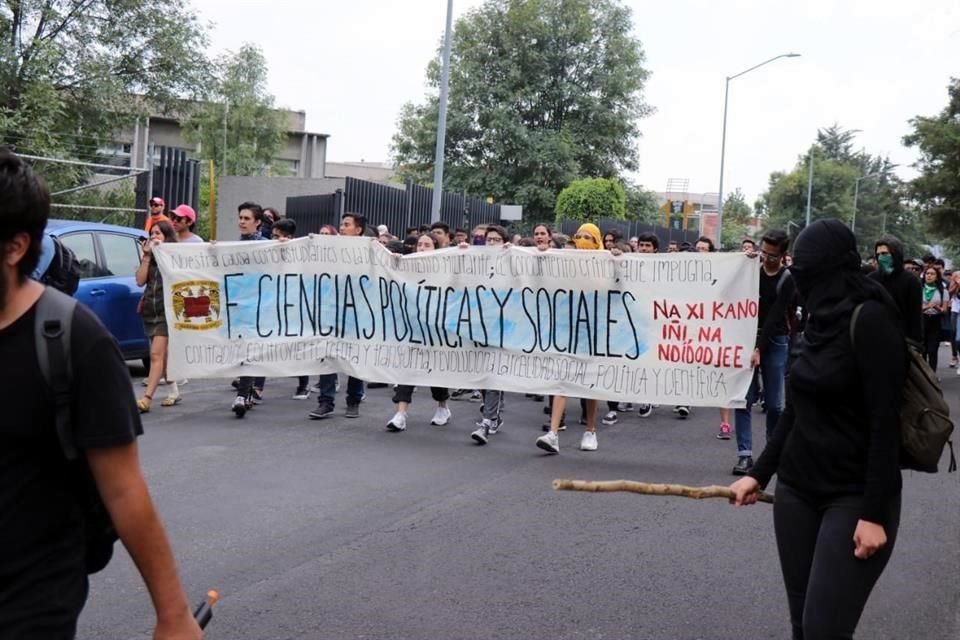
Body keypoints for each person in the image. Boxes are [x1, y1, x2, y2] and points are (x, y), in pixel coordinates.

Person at [0, 147, 201, 639]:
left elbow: (124, 488)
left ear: (14, 247)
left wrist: (173, 616)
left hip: (26, 602)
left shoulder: (75, 341)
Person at [730, 218, 905, 640]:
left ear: (831, 271)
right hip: (796, 490)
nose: (798, 280)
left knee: (824, 630)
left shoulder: (871, 320)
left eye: (807, 272)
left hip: (852, 496)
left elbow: (886, 424)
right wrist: (759, 473)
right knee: (801, 626)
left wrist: (874, 515)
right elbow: (795, 412)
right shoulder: (816, 322)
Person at [730, 230, 794, 475]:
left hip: (775, 340)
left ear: (782, 255)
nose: (766, 258)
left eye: (772, 255)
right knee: (742, 400)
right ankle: (744, 454)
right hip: (746, 337)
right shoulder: (751, 271)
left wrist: (759, 348)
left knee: (775, 403)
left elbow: (777, 315)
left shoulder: (788, 279)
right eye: (763, 252)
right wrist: (740, 261)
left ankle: (772, 451)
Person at [535, 223, 602, 454]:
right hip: (567, 330)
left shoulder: (605, 265)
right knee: (562, 380)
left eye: (588, 237)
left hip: (593, 333)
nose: (582, 241)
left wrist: (617, 258)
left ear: (597, 242)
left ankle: (590, 430)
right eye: (579, 236)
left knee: (589, 386)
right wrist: (542, 257)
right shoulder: (563, 263)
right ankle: (553, 433)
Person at [386, 232, 452, 431]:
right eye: (420, 245)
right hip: (413, 327)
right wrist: (395, 262)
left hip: (435, 329)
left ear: (435, 249)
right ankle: (400, 413)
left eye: (427, 245)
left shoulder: (444, 269)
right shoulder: (407, 266)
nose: (422, 248)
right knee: (408, 369)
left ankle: (442, 407)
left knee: (435, 371)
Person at [309, 213, 367, 419]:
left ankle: (354, 400)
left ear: (358, 230)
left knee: (354, 358)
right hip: (331, 311)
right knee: (327, 355)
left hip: (357, 314)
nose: (342, 228)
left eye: (347, 225)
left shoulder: (369, 252)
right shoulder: (329, 250)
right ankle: (325, 401)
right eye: (342, 224)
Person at [135, 220, 180, 412]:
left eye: (158, 234)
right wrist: (146, 256)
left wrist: (166, 254)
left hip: (167, 312)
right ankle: (173, 389)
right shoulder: (149, 258)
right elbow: (139, 281)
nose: (154, 237)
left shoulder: (175, 256)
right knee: (163, 356)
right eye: (152, 233)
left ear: (167, 237)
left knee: (155, 354)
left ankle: (146, 399)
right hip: (150, 310)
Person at [231, 202, 265, 417]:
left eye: (247, 218)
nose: (242, 222)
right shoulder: (234, 246)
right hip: (238, 305)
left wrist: (282, 247)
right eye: (240, 218)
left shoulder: (266, 245)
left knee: (249, 349)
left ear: (258, 222)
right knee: (241, 349)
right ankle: (248, 392)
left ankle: (243, 395)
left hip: (260, 306)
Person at [867, 237, 922, 344]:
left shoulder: (911, 281)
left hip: (901, 340)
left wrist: (916, 343)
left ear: (896, 254)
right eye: (878, 254)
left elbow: (915, 316)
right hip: (874, 338)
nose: (881, 257)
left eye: (885, 253)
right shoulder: (871, 279)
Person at [920, 265, 948, 372]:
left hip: (936, 321)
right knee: (923, 349)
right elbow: (915, 308)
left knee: (933, 349)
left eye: (932, 274)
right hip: (922, 320)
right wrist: (927, 306)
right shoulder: (919, 289)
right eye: (927, 273)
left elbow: (945, 310)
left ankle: (932, 374)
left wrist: (937, 307)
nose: (929, 276)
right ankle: (923, 375)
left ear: (937, 277)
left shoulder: (942, 291)